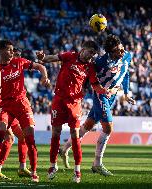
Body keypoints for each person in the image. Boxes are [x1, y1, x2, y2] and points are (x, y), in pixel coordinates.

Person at [60, 34, 136, 176]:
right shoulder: (100, 62)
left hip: (112, 96)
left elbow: (125, 74)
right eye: (117, 51)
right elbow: (88, 76)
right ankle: (97, 164)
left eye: (121, 48)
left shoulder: (126, 56)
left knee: (88, 125)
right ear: (109, 52)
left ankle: (64, 149)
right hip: (101, 95)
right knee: (108, 128)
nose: (122, 52)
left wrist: (126, 93)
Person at [36, 40, 108, 183]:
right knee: (55, 132)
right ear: (83, 49)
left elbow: (95, 85)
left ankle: (77, 171)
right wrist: (42, 57)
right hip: (59, 100)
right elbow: (51, 58)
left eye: (94, 54)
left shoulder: (90, 67)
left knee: (75, 135)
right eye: (90, 52)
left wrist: (106, 91)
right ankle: (52, 166)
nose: (91, 56)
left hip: (75, 103)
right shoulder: (69, 56)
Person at [0, 39, 50, 182]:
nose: (12, 52)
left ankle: (34, 172)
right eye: (9, 50)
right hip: (7, 107)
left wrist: (45, 77)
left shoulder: (19, 62)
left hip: (23, 105)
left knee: (29, 138)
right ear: (1, 51)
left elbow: (41, 67)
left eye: (12, 50)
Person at [0, 48, 32, 181]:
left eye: (17, 56)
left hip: (9, 108)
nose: (15, 60)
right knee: (9, 138)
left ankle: (22, 167)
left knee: (22, 136)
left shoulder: (16, 72)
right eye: (14, 55)